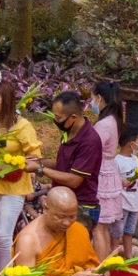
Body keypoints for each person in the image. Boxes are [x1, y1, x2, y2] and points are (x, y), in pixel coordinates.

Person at [0, 81, 45, 276]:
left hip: (13, 187)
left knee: (2, 234)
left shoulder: (23, 126)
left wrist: (12, 165)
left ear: (6, 100)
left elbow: (35, 158)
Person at [41, 90, 103, 229]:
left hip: (79, 208)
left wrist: (40, 169)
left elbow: (74, 180)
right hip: (63, 203)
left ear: (73, 117)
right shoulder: (68, 132)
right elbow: (64, 164)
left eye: (58, 117)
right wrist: (41, 162)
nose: (55, 121)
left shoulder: (89, 140)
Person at [90, 81, 126, 249]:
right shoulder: (114, 120)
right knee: (102, 226)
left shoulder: (103, 124)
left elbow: (93, 149)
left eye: (91, 98)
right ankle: (104, 266)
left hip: (101, 173)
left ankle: (100, 269)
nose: (90, 103)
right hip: (108, 170)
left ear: (99, 98)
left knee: (98, 226)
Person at [114, 122, 138, 255]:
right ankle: (113, 258)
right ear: (131, 144)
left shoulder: (135, 160)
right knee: (116, 233)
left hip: (134, 203)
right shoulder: (117, 161)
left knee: (129, 232)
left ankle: (128, 257)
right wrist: (121, 182)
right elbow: (112, 181)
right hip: (122, 204)